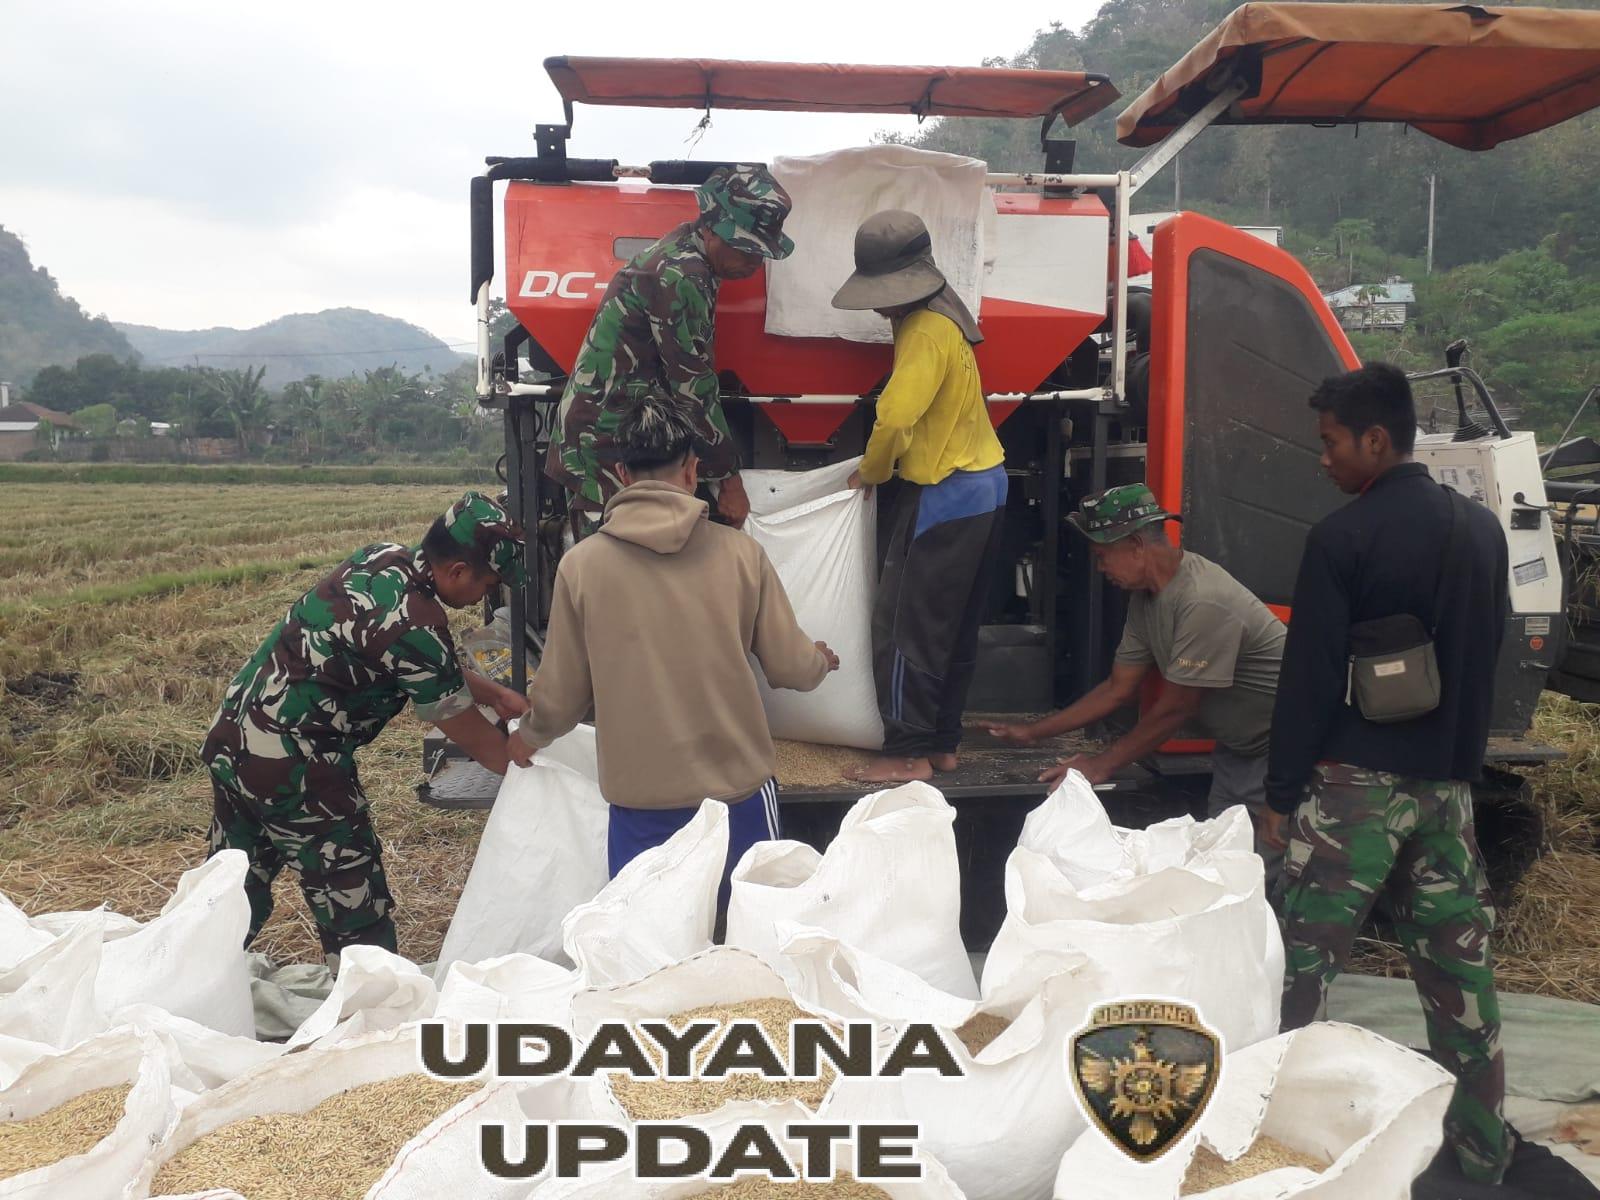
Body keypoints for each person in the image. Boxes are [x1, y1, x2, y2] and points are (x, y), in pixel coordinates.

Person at [1262, 363, 1512, 1184]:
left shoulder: (1343, 537)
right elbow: (1486, 661)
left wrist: (1280, 792)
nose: (1324, 459)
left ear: (1376, 439)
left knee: (1298, 978)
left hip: (1353, 794)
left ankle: (1273, 1149)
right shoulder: (1482, 532)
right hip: (1446, 794)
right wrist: (1457, 767)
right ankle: (1482, 1153)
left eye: (1331, 443)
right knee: (1460, 983)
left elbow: (1307, 680)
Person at [512, 391, 837, 914]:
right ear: (691, 470)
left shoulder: (583, 565)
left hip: (641, 807)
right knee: (749, 948)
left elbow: (563, 697)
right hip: (739, 800)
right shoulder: (740, 554)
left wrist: (528, 736)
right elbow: (790, 667)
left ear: (621, 473)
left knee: (650, 947)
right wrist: (820, 659)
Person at [204, 493, 529, 970]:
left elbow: (420, 666)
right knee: (353, 904)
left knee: (230, 887)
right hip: (296, 766)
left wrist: (495, 695)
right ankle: (369, 1015)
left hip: (237, 737)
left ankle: (188, 978)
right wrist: (532, 758)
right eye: (489, 583)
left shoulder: (382, 558)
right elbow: (476, 738)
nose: (485, 595)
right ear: (458, 571)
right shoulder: (417, 623)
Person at [988, 483, 1287, 883]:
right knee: (1221, 865)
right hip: (1237, 751)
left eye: (1102, 557)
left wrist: (1098, 766)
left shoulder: (1202, 600)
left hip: (1279, 755)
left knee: (1257, 874)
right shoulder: (1147, 599)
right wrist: (1033, 733)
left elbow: (1176, 709)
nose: (1100, 569)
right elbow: (1118, 687)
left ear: (1135, 545)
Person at [829, 209, 1007, 784]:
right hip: (985, 485)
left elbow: (895, 415)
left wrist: (871, 473)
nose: (879, 305)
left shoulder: (921, 329)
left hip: (945, 491)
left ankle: (907, 753)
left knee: (907, 627)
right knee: (952, 625)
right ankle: (942, 743)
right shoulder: (948, 312)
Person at [546, 164, 796, 542]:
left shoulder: (691, 258)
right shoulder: (680, 275)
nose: (755, 262)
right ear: (712, 228)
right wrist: (729, 480)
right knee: (610, 574)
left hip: (628, 441)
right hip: (602, 448)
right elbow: (692, 386)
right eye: (747, 248)